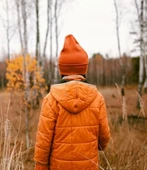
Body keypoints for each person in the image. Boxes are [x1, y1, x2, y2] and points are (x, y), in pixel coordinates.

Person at [34, 34, 111, 170]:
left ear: (62, 69)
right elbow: (104, 139)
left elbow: (43, 142)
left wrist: (40, 167)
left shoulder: (51, 99)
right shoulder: (97, 98)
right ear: (84, 68)